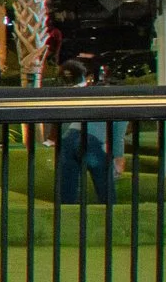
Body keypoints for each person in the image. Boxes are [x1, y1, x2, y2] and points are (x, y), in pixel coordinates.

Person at [52, 53, 124, 206]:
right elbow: (118, 137)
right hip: (90, 141)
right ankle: (111, 223)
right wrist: (118, 161)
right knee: (106, 193)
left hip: (68, 140)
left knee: (67, 198)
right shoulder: (123, 104)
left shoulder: (94, 96)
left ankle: (66, 226)